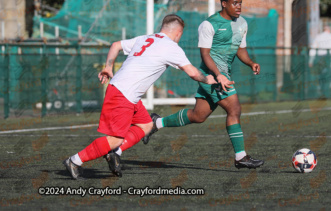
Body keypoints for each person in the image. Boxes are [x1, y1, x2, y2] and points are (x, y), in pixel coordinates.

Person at [63, 14, 217, 179]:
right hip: (123, 94)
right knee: (115, 139)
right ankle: (75, 160)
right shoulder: (171, 47)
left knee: (146, 125)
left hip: (124, 91)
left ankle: (115, 152)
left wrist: (108, 67)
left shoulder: (146, 38)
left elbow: (115, 45)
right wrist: (208, 79)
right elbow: (193, 72)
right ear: (178, 33)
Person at [141, 0, 264, 169]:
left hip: (222, 76)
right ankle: (241, 157)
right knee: (234, 109)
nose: (239, 6)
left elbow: (241, 49)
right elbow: (205, 55)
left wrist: (250, 62)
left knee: (198, 116)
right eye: (234, 3)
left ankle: (156, 122)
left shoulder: (242, 23)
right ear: (224, 3)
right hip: (211, 76)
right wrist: (218, 75)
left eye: (240, 3)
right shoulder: (209, 24)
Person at [309, 25, 331, 97]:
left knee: (322, 74)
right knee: (329, 74)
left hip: (320, 58)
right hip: (330, 58)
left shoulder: (318, 37)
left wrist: (311, 60)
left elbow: (313, 49)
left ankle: (322, 90)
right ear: (329, 30)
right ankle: (328, 91)